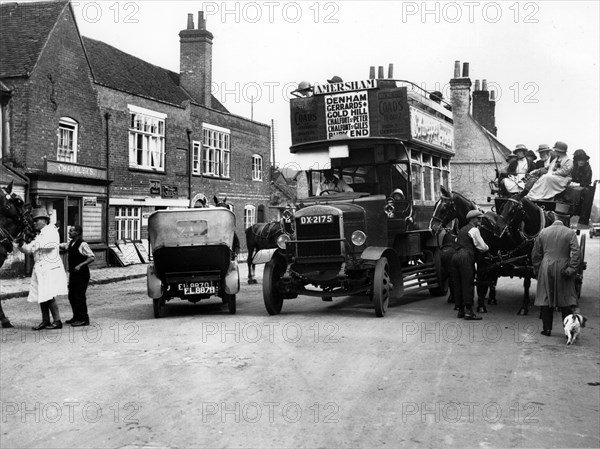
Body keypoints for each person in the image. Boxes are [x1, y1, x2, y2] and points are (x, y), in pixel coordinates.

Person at [15, 208, 68, 330]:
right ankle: (46, 320)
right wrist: (20, 244)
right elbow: (28, 250)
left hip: (49, 268)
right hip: (40, 268)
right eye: (33, 221)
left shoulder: (52, 231)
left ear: (44, 220)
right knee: (41, 295)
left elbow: (49, 246)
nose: (34, 223)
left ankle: (57, 321)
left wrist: (34, 245)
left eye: (36, 220)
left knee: (49, 295)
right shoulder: (39, 235)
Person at [532, 218, 580, 336]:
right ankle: (568, 330)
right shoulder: (570, 233)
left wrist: (538, 269)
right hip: (564, 267)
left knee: (546, 298)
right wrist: (571, 269)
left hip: (546, 266)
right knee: (566, 299)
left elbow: (536, 253)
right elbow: (577, 253)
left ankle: (547, 329)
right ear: (564, 221)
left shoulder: (543, 232)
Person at [451, 210, 489, 320]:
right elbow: (481, 246)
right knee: (468, 283)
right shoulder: (474, 230)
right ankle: (469, 312)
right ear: (472, 219)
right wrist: (488, 248)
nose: (480, 220)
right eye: (478, 218)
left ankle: (460, 310)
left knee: (458, 284)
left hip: (456, 256)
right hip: (465, 257)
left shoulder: (462, 229)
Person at [60, 225, 95, 327]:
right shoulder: (71, 243)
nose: (69, 233)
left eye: (71, 231)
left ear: (77, 233)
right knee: (72, 296)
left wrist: (80, 265)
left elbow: (92, 257)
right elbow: (63, 246)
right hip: (73, 274)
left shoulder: (83, 244)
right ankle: (76, 317)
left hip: (82, 274)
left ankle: (84, 319)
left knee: (79, 296)